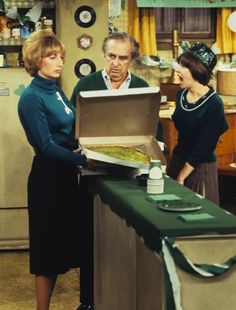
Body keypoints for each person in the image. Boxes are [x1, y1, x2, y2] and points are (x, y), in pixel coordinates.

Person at [71, 31, 163, 310]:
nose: (115, 63)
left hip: (129, 176)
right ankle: (88, 301)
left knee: (123, 240)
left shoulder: (142, 87)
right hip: (92, 174)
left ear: (131, 60)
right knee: (90, 240)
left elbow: (153, 132)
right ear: (104, 54)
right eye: (111, 56)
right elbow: (72, 129)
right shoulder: (86, 85)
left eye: (123, 58)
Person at [18, 30, 88, 310]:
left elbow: (70, 127)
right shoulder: (31, 97)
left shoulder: (56, 89)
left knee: (61, 248)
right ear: (36, 60)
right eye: (51, 57)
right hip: (48, 179)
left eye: (60, 56)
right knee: (48, 253)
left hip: (65, 175)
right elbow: (45, 146)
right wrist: (83, 161)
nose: (59, 62)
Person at [167, 42, 228, 205]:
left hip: (199, 167)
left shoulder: (214, 103)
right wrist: (175, 172)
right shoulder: (180, 95)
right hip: (177, 160)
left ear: (197, 70)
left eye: (183, 66)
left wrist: (182, 176)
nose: (177, 70)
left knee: (198, 217)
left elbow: (203, 147)